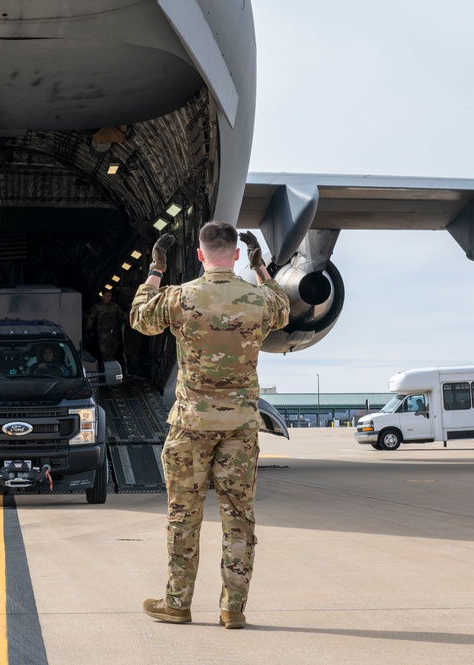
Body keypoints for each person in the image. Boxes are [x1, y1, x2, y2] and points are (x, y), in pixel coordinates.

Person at [129, 221, 290, 630]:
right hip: (240, 426)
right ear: (235, 253)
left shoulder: (181, 297)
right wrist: (262, 269)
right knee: (239, 517)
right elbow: (284, 311)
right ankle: (232, 609)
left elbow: (139, 319)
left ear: (200, 255)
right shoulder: (257, 299)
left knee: (184, 516)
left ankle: (177, 603)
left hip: (190, 425)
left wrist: (155, 270)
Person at [86, 290, 126, 363]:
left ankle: (111, 367)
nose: (109, 298)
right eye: (108, 296)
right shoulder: (98, 307)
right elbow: (91, 318)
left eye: (110, 296)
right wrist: (89, 329)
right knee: (105, 352)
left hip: (113, 334)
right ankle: (105, 368)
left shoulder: (115, 306)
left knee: (113, 352)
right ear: (103, 297)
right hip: (103, 334)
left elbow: (123, 316)